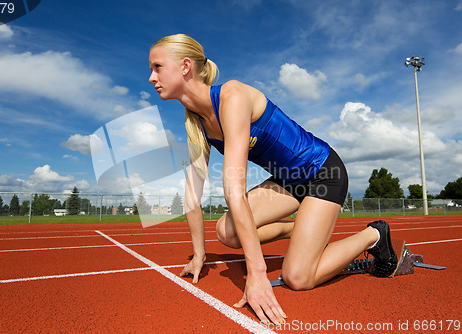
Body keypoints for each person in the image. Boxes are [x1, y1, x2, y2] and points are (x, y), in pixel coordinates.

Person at [148, 34, 398, 324]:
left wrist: (257, 275)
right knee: (226, 232)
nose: (151, 77)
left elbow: (234, 191)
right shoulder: (197, 124)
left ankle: (374, 235)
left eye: (157, 66)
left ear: (185, 66)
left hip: (323, 173)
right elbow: (192, 193)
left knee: (298, 277)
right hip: (287, 181)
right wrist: (199, 254)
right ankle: (301, 229)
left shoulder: (232, 96)